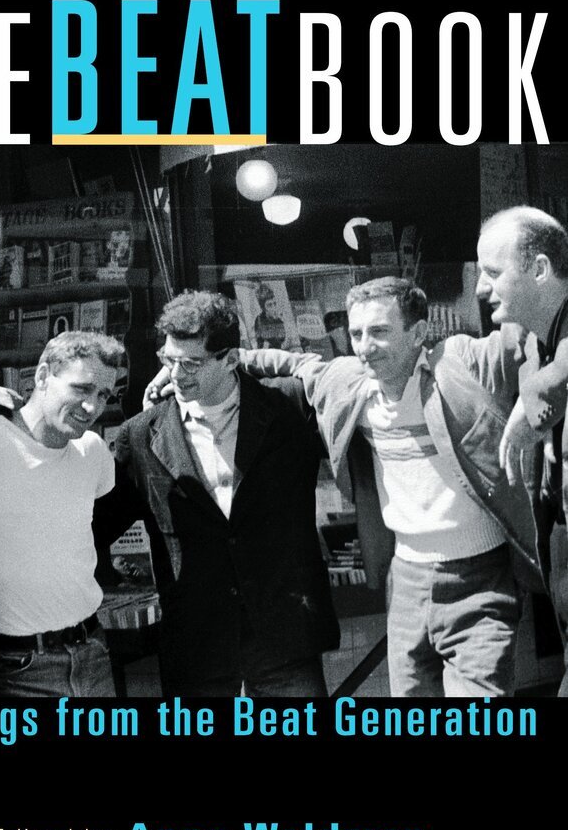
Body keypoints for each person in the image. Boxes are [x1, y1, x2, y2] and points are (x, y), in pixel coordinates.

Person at [149, 279, 543, 698]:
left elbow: (535, 336)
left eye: (379, 331)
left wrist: (534, 401)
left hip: (481, 575)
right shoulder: (347, 382)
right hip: (406, 579)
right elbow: (286, 362)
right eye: (356, 333)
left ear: (418, 333)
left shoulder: (460, 360)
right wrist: (187, 365)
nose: (365, 347)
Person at [97, 290, 339, 697]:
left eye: (191, 363)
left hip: (286, 639)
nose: (176, 375)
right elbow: (95, 529)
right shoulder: (140, 435)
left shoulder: (290, 407)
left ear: (230, 359)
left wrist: (258, 360)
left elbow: (354, 374)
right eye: (168, 360)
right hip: (199, 648)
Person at [0, 330, 124, 698]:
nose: (92, 407)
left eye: (103, 395)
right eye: (81, 388)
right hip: (18, 667)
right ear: (42, 376)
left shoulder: (93, 452)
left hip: (93, 653)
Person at [476, 205, 568, 695]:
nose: (480, 287)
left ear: (540, 269)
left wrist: (537, 397)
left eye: (493, 272)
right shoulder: (532, 343)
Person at [253, 283, 286, 349]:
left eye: (274, 304)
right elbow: (261, 341)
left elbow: (282, 339)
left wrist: (280, 321)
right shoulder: (259, 320)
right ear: (264, 308)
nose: (273, 308)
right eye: (269, 305)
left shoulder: (278, 320)